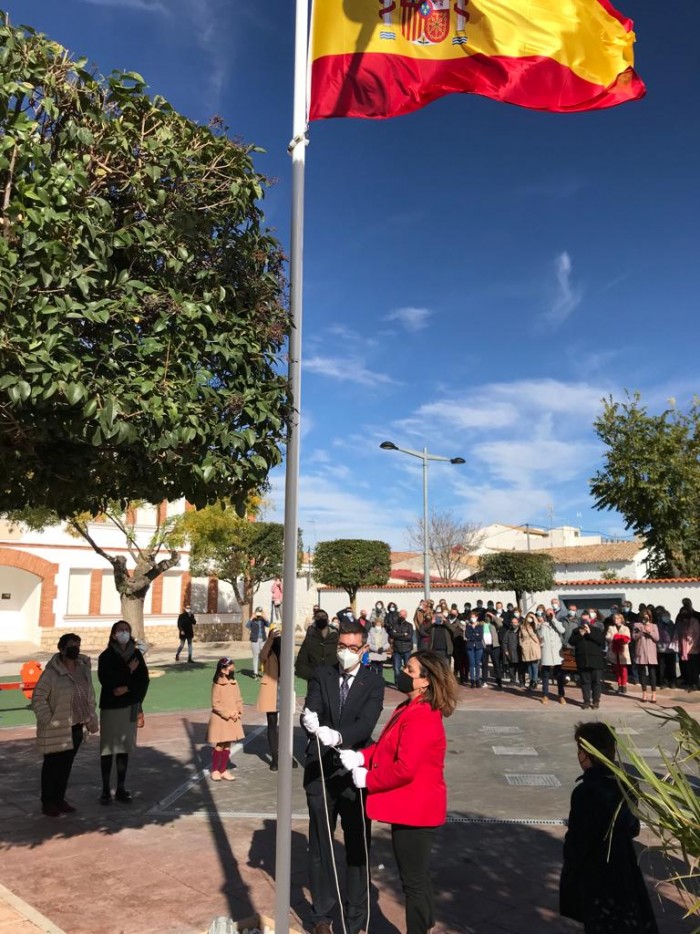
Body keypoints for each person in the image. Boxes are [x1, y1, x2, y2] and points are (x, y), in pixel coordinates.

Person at [340, 651, 458, 934]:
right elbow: (387, 749)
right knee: (418, 876)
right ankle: (426, 923)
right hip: (412, 807)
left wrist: (369, 778)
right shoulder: (409, 708)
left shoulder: (422, 716)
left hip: (416, 809)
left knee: (413, 881)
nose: (403, 672)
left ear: (425, 682)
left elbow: (405, 768)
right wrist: (362, 757)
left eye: (410, 669)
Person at [300, 621, 384, 934]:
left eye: (352, 648)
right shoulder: (323, 674)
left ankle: (356, 919)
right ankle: (321, 916)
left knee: (357, 846)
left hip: (354, 771)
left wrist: (337, 736)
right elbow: (313, 708)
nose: (345, 653)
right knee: (320, 845)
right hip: (320, 770)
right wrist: (309, 720)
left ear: (364, 650)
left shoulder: (374, 683)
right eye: (341, 647)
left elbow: (365, 725)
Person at [560, 721, 659, 933]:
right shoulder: (628, 783)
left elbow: (577, 842)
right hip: (625, 868)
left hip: (596, 873)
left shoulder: (585, 792)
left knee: (602, 923)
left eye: (580, 750)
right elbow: (633, 827)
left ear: (588, 753)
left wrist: (570, 875)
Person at [31, 633, 99, 816]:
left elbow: (89, 695)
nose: (75, 648)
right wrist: (48, 719)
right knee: (52, 766)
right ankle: (48, 802)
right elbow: (38, 698)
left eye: (78, 644)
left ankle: (60, 799)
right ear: (61, 649)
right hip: (57, 728)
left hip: (76, 725)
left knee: (66, 765)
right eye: (71, 645)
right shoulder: (52, 673)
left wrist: (90, 714)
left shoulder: (83, 670)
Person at [98, 620, 150, 804]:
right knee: (107, 749)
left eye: (127, 630)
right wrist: (128, 670)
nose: (124, 633)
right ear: (113, 634)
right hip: (111, 706)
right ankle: (105, 789)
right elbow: (106, 678)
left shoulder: (136, 654)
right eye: (120, 630)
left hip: (130, 704)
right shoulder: (106, 656)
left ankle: (120, 787)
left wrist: (127, 689)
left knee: (124, 749)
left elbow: (143, 679)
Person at [256, 623, 297, 771]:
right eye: (274, 633)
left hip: (285, 687)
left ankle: (287, 755)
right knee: (272, 723)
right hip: (271, 688)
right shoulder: (268, 649)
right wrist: (270, 640)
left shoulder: (286, 648)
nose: (277, 635)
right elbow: (261, 657)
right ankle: (274, 757)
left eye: (279, 633)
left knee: (286, 725)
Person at [207, 657, 242, 780]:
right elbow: (215, 704)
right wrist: (228, 714)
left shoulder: (234, 682)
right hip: (222, 719)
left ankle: (223, 769)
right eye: (231, 667)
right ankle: (215, 770)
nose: (233, 669)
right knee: (220, 744)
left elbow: (239, 699)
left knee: (228, 745)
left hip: (233, 718)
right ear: (223, 669)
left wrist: (238, 711)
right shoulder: (217, 684)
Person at [569, 614, 606, 710]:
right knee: (585, 683)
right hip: (583, 661)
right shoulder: (576, 631)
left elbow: (601, 642)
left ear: (590, 620)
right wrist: (580, 634)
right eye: (583, 620)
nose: (584, 622)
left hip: (596, 661)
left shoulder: (596, 630)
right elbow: (571, 641)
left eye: (586, 620)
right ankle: (586, 701)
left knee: (596, 682)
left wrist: (589, 633)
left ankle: (596, 701)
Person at [295, 609, 340, 681]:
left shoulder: (336, 638)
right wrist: (314, 675)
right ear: (315, 620)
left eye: (323, 616)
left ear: (328, 620)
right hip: (315, 683)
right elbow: (300, 664)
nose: (321, 618)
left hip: (333, 681)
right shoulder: (309, 639)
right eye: (318, 617)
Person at [539, 609, 566, 704]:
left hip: (556, 653)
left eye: (551, 614)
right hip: (546, 652)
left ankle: (561, 695)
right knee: (545, 675)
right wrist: (542, 625)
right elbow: (540, 636)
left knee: (559, 675)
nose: (549, 615)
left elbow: (562, 630)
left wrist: (553, 620)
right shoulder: (543, 624)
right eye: (547, 614)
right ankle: (545, 695)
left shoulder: (558, 623)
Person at [633, 611, 659, 703]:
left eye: (647, 617)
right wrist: (642, 632)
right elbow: (634, 637)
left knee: (652, 673)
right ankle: (644, 693)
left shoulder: (654, 626)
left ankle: (654, 694)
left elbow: (657, 638)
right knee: (642, 673)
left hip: (651, 652)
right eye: (644, 617)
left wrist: (650, 632)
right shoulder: (637, 625)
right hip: (641, 651)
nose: (645, 618)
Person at [605, 612, 632, 694]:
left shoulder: (625, 628)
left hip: (623, 650)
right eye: (615, 619)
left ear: (621, 619)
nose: (616, 620)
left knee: (623, 669)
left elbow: (628, 639)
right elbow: (607, 636)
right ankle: (619, 684)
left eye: (617, 618)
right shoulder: (611, 627)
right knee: (617, 669)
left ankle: (624, 685)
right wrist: (614, 637)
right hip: (614, 650)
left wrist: (621, 638)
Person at [386, 608, 414, 685]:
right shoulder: (394, 625)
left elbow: (409, 637)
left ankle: (407, 683)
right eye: (401, 615)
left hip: (407, 649)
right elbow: (392, 634)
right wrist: (403, 634)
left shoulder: (409, 625)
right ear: (399, 615)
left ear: (406, 616)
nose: (402, 616)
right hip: (396, 649)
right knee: (396, 669)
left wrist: (397, 634)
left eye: (404, 615)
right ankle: (397, 684)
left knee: (408, 668)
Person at [519, 612, 542, 691]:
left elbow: (538, 627)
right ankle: (531, 681)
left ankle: (534, 681)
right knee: (529, 665)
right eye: (529, 617)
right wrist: (522, 644)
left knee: (534, 664)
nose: (530, 619)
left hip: (534, 646)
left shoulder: (534, 626)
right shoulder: (522, 626)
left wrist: (534, 618)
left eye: (531, 618)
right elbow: (520, 637)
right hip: (526, 647)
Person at [481, 611, 503, 689]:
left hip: (494, 647)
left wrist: (493, 616)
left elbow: (500, 623)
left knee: (496, 664)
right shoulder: (481, 624)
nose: (487, 618)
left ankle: (498, 680)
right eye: (486, 616)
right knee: (484, 664)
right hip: (484, 647)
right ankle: (484, 680)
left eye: (489, 616)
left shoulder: (494, 625)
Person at [246, 606, 268, 679]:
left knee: (264, 656)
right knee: (256, 656)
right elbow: (247, 626)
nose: (258, 615)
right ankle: (255, 673)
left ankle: (265, 672)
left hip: (263, 640)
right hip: (255, 640)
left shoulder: (263, 620)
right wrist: (251, 618)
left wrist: (265, 617)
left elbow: (269, 625)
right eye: (257, 613)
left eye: (260, 613)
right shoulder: (253, 620)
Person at [464, 613, 484, 688]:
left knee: (477, 663)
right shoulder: (468, 626)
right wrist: (475, 634)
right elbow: (467, 635)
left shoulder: (480, 626)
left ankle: (477, 679)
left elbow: (480, 637)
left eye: (474, 617)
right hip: (470, 646)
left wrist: (473, 635)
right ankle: (472, 680)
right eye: (471, 617)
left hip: (478, 647)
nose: (472, 618)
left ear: (476, 617)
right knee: (471, 663)